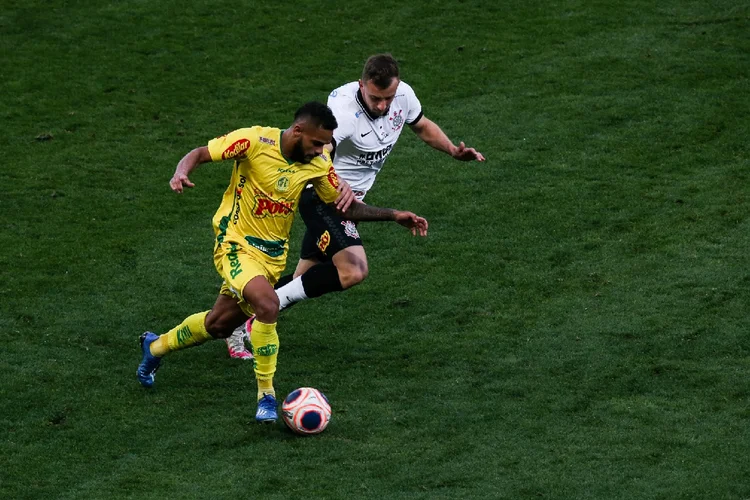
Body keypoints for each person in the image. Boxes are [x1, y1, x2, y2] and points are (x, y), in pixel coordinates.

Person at [136, 102, 429, 423]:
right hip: (234, 245)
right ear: (298, 131)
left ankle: (155, 347)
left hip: (271, 257)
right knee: (268, 305)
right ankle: (267, 396)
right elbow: (201, 153)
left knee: (219, 324)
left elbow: (343, 208)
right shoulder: (253, 142)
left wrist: (393, 215)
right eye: (318, 143)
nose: (322, 150)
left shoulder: (317, 164)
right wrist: (181, 171)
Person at [225, 53, 483, 358]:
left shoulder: (404, 96)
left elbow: (423, 126)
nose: (383, 106)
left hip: (352, 202)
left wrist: (453, 150)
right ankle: (257, 314)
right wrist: (335, 181)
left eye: (388, 98)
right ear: (362, 86)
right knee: (352, 270)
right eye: (375, 98)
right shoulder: (344, 111)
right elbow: (320, 152)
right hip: (323, 196)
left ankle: (234, 319)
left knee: (303, 279)